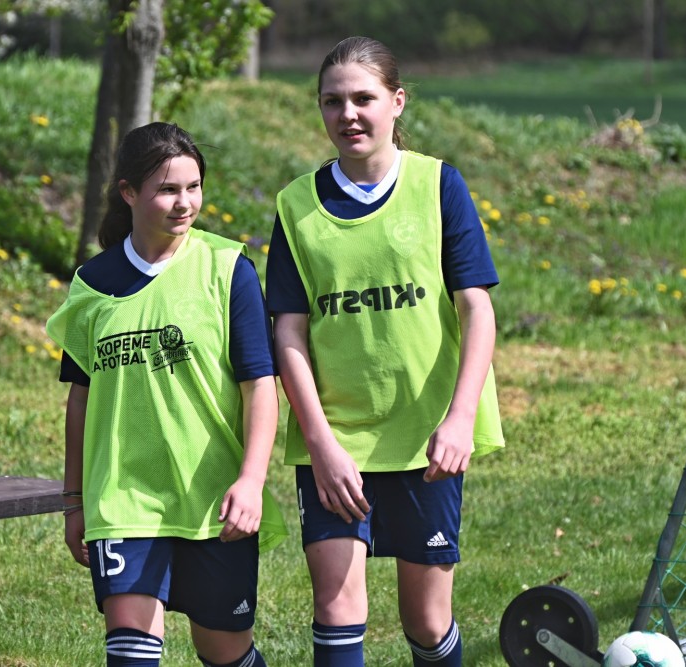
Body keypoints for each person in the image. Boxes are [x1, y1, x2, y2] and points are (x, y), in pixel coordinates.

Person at [265, 36, 505, 667]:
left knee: (426, 621)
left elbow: (477, 309)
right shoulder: (296, 205)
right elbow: (288, 333)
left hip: (426, 437)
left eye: (363, 99)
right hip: (337, 439)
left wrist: (460, 418)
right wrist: (319, 442)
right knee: (336, 607)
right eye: (332, 101)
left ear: (396, 102)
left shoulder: (437, 184)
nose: (347, 114)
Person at [46, 122, 287, 667]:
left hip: (212, 498)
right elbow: (80, 399)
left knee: (223, 651)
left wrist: (251, 480)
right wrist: (74, 500)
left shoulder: (228, 269)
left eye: (193, 187)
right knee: (130, 652)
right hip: (122, 499)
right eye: (168, 189)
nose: (185, 203)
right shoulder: (92, 283)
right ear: (128, 192)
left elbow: (259, 386)